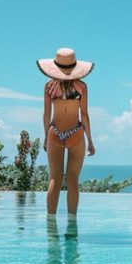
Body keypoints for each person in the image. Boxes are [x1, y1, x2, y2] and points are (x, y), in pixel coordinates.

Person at [38, 47, 95, 214]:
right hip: (76, 132)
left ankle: (50, 224)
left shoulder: (49, 87)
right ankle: (72, 222)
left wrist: (45, 137)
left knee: (54, 179)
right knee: (72, 180)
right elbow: (84, 115)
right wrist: (90, 141)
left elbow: (47, 114)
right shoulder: (82, 87)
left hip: (54, 132)